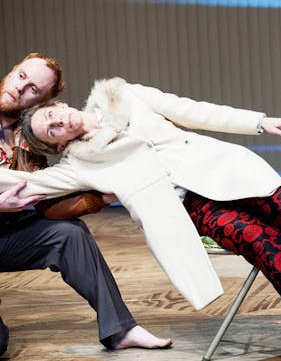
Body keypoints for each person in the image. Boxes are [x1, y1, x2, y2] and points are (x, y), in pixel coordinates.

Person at [0, 77, 281, 341]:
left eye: (53, 114)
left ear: (60, 103)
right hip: (192, 208)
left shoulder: (120, 94)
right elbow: (23, 182)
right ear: (55, 145)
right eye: (51, 130)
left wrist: (258, 122)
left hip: (223, 170)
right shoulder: (80, 164)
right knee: (262, 243)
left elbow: (192, 110)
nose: (59, 123)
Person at [0, 54, 171, 355]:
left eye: (34, 90)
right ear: (13, 71)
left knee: (69, 233)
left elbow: (47, 206)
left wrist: (102, 197)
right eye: (21, 76)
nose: (21, 88)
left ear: (40, 102)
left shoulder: (28, 141)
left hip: (6, 239)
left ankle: (121, 328)